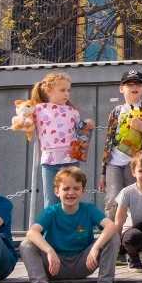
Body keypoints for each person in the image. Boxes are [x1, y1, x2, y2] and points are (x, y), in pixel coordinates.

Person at [15, 166, 121, 283]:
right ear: (57, 191)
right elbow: (32, 232)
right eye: (66, 189)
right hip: (55, 265)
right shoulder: (51, 211)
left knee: (113, 237)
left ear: (82, 191)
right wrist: (49, 251)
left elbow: (111, 226)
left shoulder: (89, 209)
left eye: (76, 188)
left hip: (83, 263)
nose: (71, 193)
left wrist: (96, 247)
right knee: (26, 245)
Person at [21, 72, 94, 212]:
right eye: (62, 90)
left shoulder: (73, 111)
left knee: (72, 197)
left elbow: (79, 130)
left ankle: (71, 228)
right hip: (49, 161)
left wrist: (86, 124)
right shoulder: (38, 109)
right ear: (48, 90)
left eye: (68, 90)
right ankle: (50, 231)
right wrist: (24, 121)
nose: (66, 93)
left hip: (71, 160)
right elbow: (24, 118)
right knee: (51, 199)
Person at [100, 69, 142, 218]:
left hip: (137, 164)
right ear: (122, 89)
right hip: (114, 163)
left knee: (138, 200)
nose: (134, 87)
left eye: (138, 84)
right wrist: (103, 172)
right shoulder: (116, 111)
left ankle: (137, 236)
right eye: (129, 84)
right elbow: (108, 141)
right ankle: (113, 239)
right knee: (113, 201)